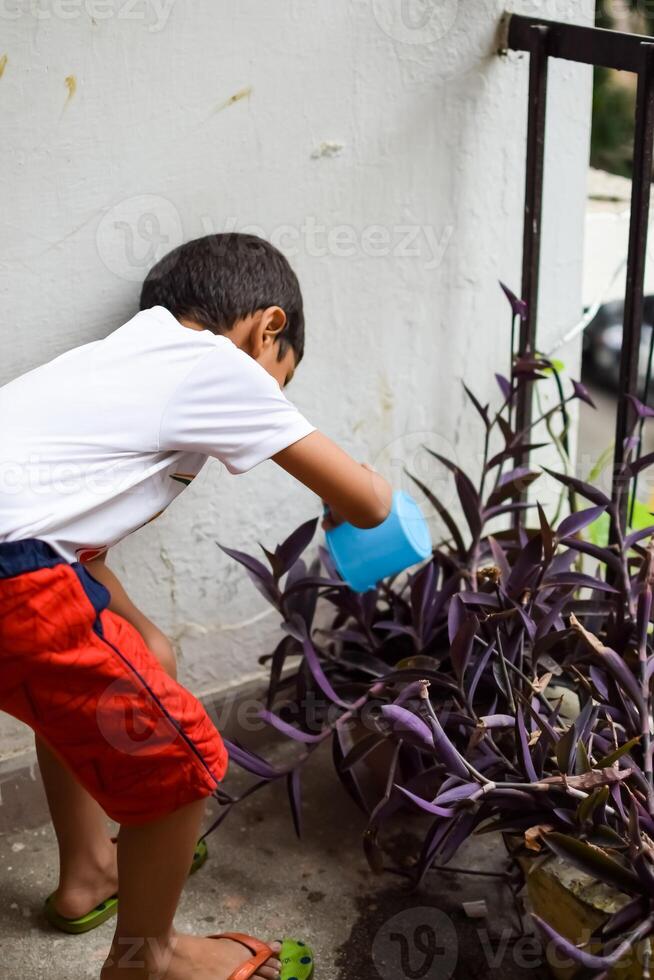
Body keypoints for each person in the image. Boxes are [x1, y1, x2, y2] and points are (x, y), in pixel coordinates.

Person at [0, 233, 392, 980]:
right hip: (15, 577)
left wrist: (145, 640)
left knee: (131, 661)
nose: (271, 397)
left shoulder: (112, 359)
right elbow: (368, 504)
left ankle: (88, 872)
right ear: (265, 328)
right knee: (181, 763)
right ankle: (150, 960)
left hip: (29, 560)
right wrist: (357, 492)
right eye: (281, 379)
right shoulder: (216, 361)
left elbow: (71, 541)